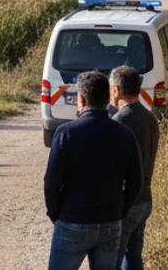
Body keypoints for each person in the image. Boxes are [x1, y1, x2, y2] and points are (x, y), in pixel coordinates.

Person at [43, 70, 143, 270]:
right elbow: (136, 182)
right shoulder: (125, 134)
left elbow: (51, 182)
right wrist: (119, 211)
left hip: (73, 220)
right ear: (108, 97)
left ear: (80, 98)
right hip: (110, 222)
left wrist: (54, 214)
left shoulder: (67, 133)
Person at [109, 66, 159, 270]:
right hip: (145, 199)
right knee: (134, 258)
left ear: (116, 90)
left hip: (125, 203)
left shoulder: (119, 121)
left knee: (113, 260)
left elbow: (113, 168)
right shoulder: (150, 118)